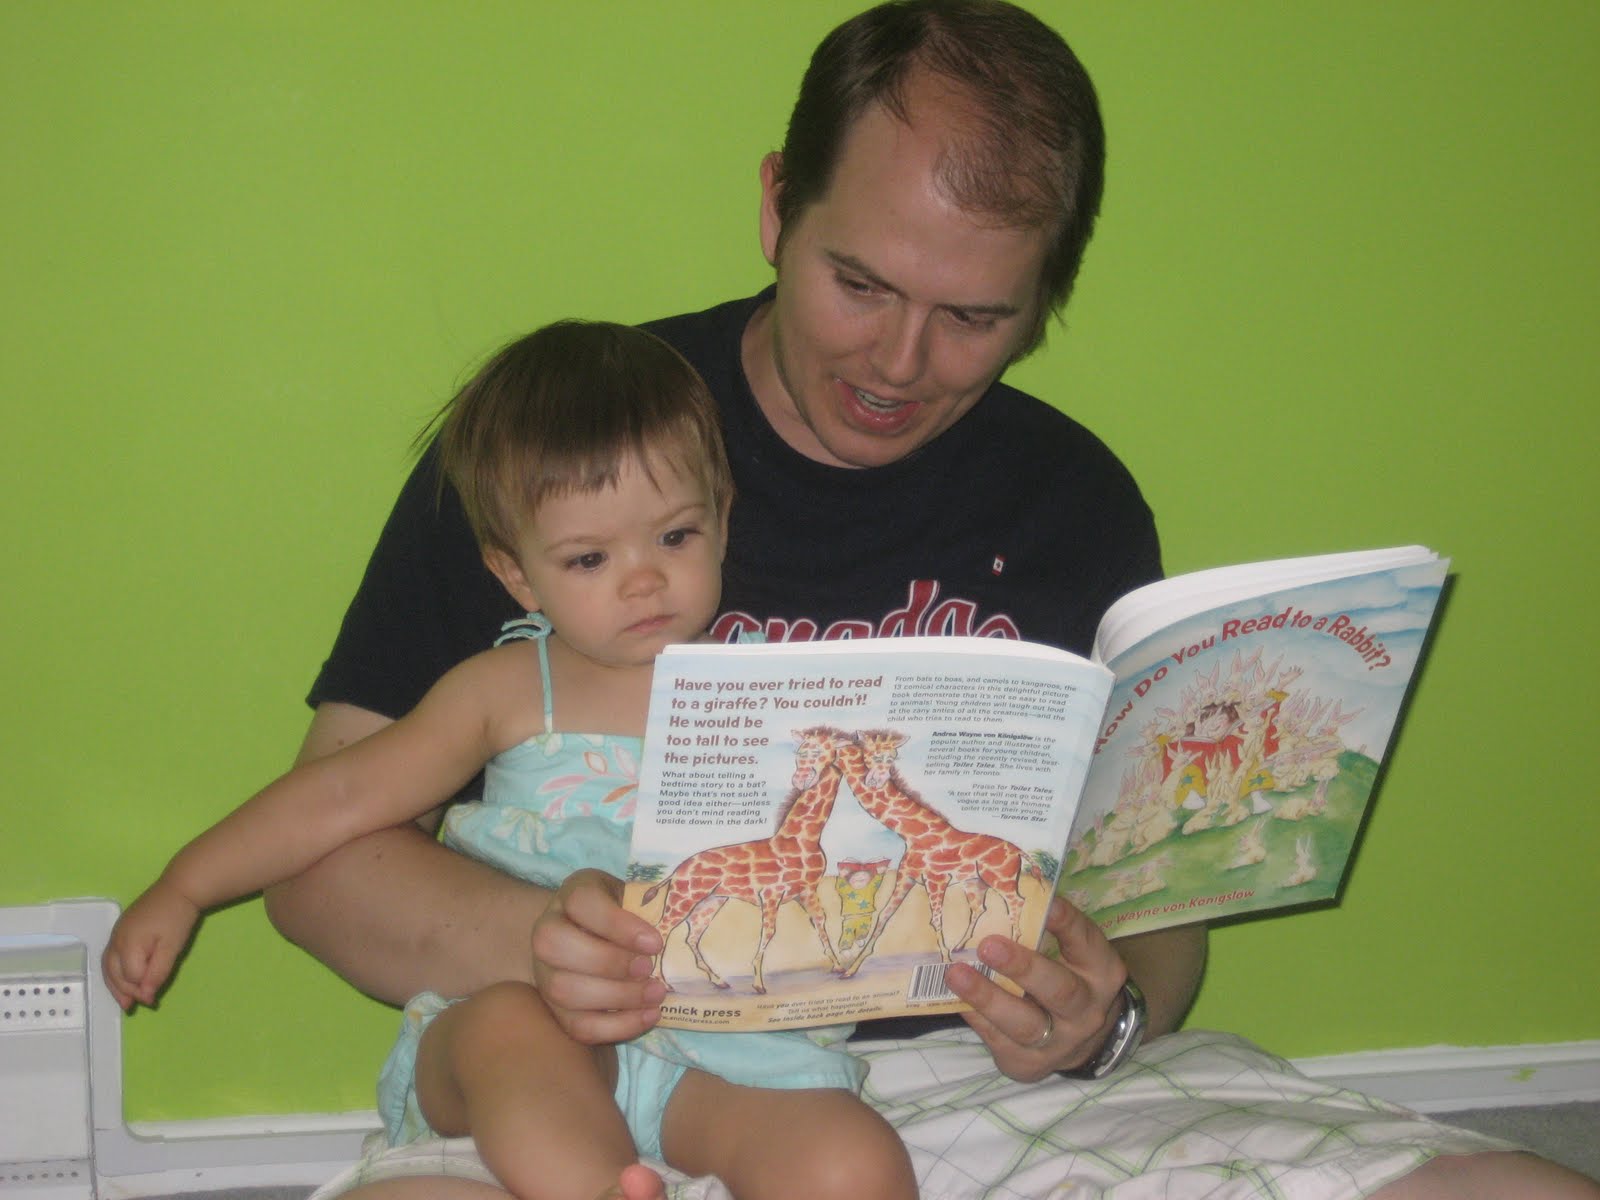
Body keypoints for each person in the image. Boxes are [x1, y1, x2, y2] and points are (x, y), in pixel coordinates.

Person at [268, 3, 1600, 1198]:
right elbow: (318, 868)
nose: (899, 364)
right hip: (569, 1066)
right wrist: (573, 946)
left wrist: (1102, 1014)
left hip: (976, 1079)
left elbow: (1157, 917)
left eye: (974, 317)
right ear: (778, 207)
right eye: (859, 284)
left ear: (1043, 297)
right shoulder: (568, 451)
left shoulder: (1072, 501)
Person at [104, 321, 916, 1200]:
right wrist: (186, 885)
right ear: (518, 575)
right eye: (590, 558)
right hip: (526, 1032)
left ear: (722, 518)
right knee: (508, 1034)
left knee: (854, 1160)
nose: (642, 580)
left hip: (717, 1051)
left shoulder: (776, 691)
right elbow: (337, 796)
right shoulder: (505, 689)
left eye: (675, 537)